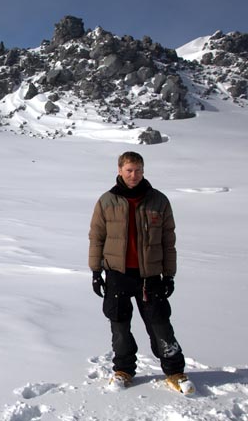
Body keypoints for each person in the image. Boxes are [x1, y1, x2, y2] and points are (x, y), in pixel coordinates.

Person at [88, 151, 193, 393]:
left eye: (138, 170)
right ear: (119, 171)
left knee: (160, 324)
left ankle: (175, 371)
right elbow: (97, 237)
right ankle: (123, 370)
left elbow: (169, 240)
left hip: (150, 276)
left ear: (143, 171)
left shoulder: (158, 201)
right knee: (120, 326)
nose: (134, 175)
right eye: (129, 170)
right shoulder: (107, 201)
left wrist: (169, 275)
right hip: (117, 274)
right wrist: (96, 272)